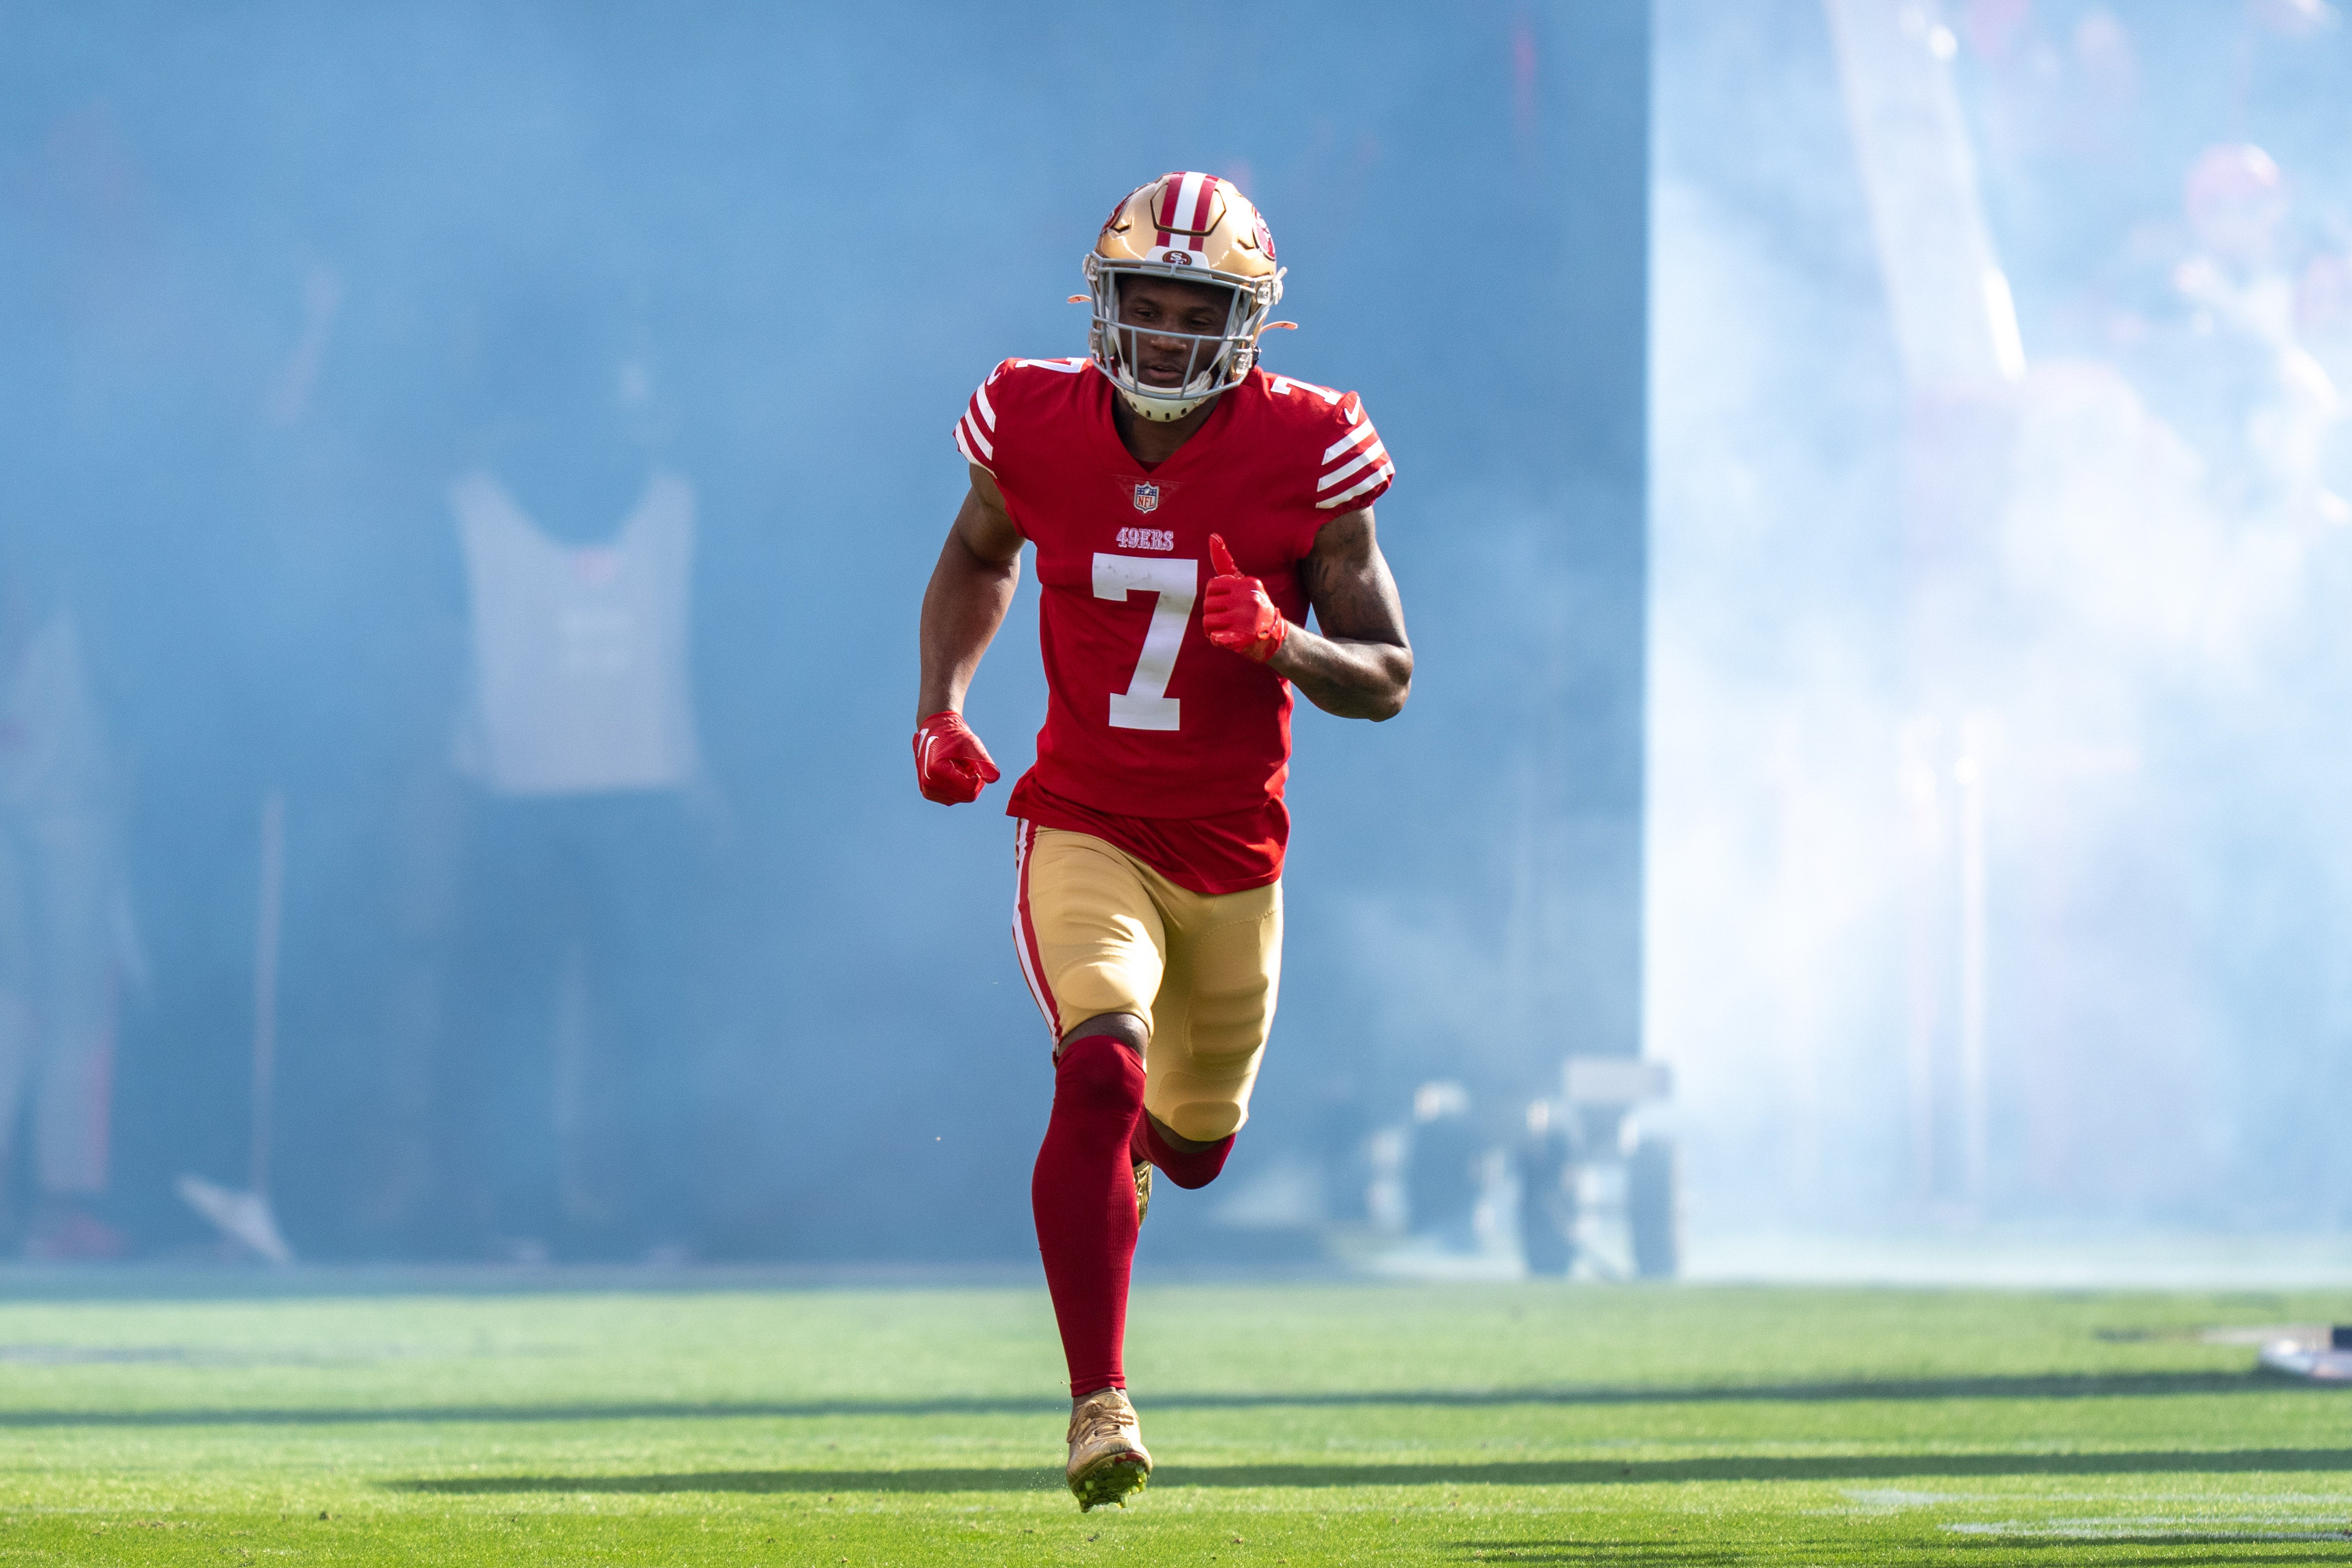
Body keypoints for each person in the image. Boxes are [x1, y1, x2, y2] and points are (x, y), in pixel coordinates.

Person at [912, 171, 1413, 1511]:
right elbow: (977, 552)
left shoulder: (1309, 445)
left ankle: (1141, 1166)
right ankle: (1097, 1401)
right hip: (1082, 819)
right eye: (1150, 303)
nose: (1173, 336)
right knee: (1097, 1071)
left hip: (1232, 852)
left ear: (1251, 322)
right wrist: (939, 713)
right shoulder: (1027, 415)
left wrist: (1288, 640)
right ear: (1103, 302)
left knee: (1191, 1141)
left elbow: (1389, 672)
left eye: (1204, 311)